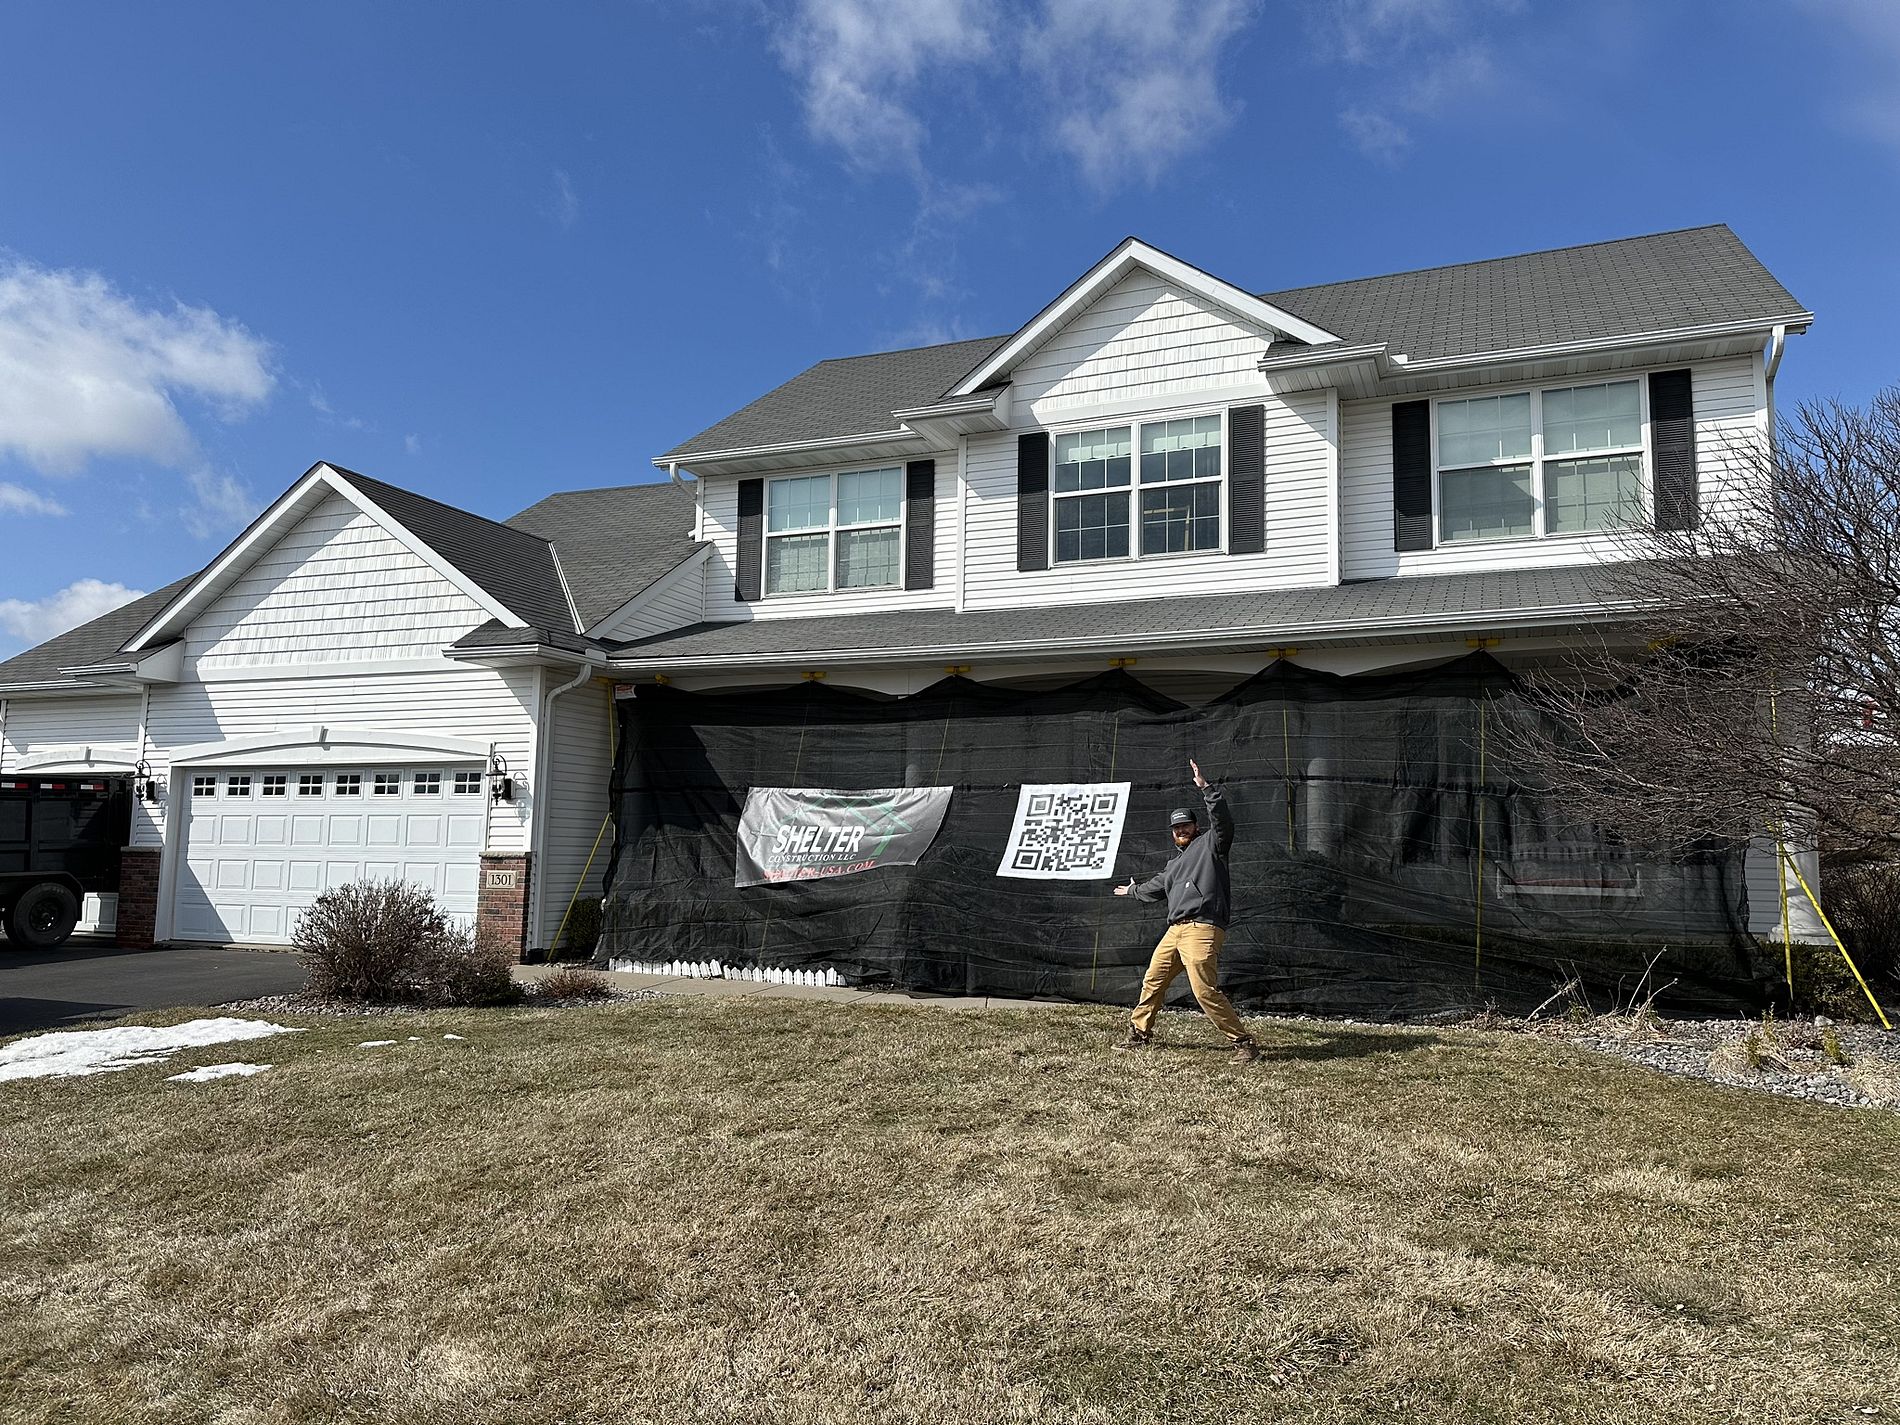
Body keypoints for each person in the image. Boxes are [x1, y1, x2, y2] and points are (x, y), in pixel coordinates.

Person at [1112, 759, 1260, 1065]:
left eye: (1185, 825)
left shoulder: (1211, 845)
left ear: (1195, 827)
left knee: (1203, 989)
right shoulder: (1173, 866)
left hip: (1202, 928)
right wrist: (1131, 890)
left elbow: (1223, 821)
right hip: (1175, 930)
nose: (1181, 830)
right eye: (1176, 827)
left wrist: (1207, 790)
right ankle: (1140, 1033)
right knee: (1153, 979)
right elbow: (1154, 887)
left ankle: (1243, 1043)